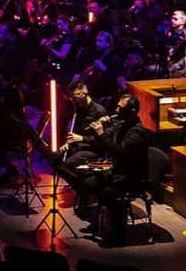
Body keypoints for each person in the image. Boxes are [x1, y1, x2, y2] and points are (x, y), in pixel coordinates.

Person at [80, 94, 150, 247]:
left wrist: (101, 134)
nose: (116, 110)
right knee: (89, 183)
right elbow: (106, 138)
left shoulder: (137, 133)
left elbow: (120, 150)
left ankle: (119, 235)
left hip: (133, 177)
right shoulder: (121, 124)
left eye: (120, 107)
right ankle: (106, 222)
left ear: (132, 111)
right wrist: (100, 129)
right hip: (120, 172)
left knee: (108, 194)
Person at [61, 79, 109, 167]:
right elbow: (75, 132)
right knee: (56, 158)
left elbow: (104, 140)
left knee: (68, 164)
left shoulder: (99, 112)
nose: (72, 101)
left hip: (92, 150)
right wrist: (68, 143)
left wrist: (82, 138)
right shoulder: (78, 108)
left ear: (84, 94)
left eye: (75, 98)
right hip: (79, 147)